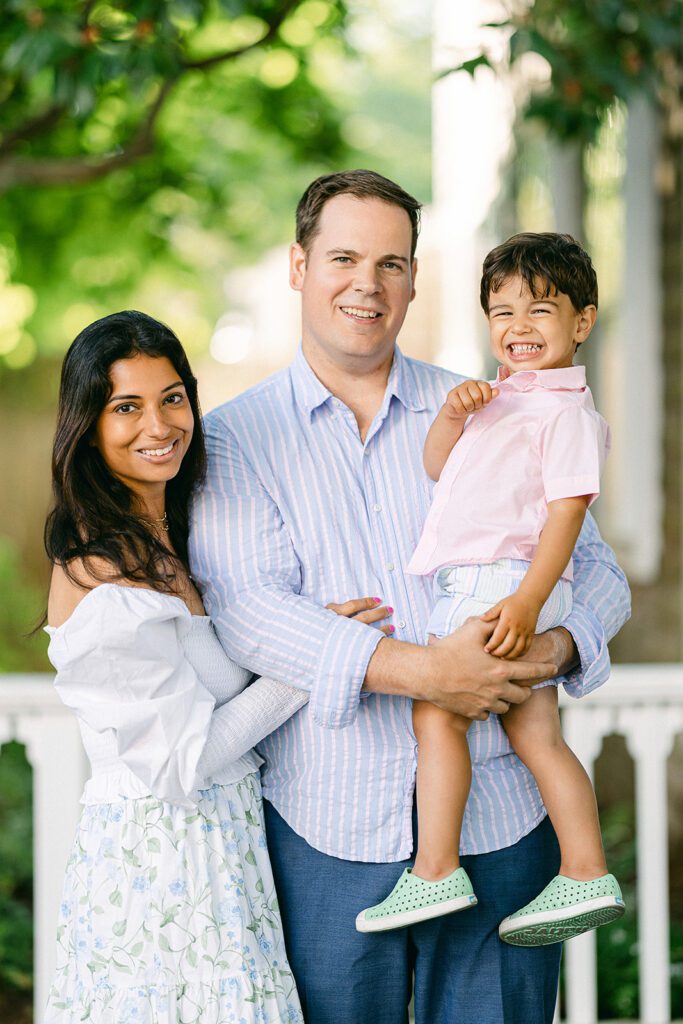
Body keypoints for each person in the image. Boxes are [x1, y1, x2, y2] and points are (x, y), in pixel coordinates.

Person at [189, 171, 631, 1024]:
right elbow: (252, 613)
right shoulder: (234, 440)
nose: (367, 284)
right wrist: (433, 674)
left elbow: (596, 570)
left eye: (391, 263)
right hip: (328, 828)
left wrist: (546, 649)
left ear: (415, 280)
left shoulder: (490, 404)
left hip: (501, 823)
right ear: (297, 265)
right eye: (344, 258)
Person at [43, 310, 324, 1022]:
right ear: (88, 425)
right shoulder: (101, 568)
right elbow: (180, 760)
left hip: (224, 855)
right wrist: (315, 657)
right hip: (159, 877)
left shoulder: (171, 537)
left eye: (172, 398)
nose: (159, 425)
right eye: (126, 407)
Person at [355, 232, 625, 946]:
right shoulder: (508, 400)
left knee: (437, 714)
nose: (518, 327)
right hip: (487, 582)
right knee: (535, 732)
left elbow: (566, 514)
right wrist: (453, 414)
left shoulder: (563, 412)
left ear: (581, 322)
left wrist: (530, 600)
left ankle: (435, 867)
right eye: (501, 313)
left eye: (540, 310)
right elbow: (439, 467)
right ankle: (584, 871)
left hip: (501, 581)